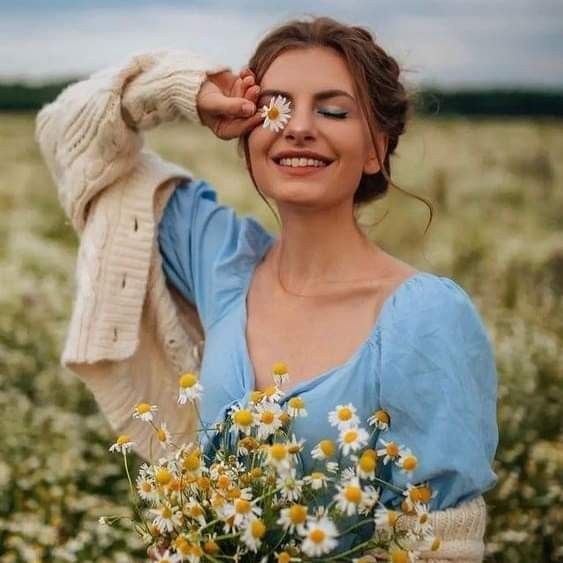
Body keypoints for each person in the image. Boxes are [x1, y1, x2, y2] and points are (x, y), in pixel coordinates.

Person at [36, 15, 498, 561]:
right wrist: (187, 90)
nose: (298, 127)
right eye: (275, 107)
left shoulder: (425, 316)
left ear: (376, 148)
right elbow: (65, 132)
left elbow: (441, 545)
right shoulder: (222, 262)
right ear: (247, 131)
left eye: (332, 110)